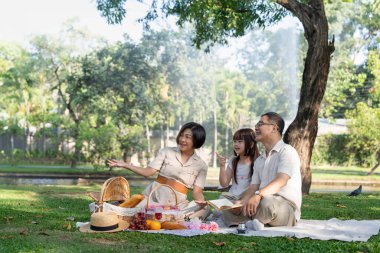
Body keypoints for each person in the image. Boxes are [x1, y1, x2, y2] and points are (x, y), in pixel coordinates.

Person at [107, 122, 210, 219]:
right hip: (154, 198)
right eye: (181, 135)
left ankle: (177, 216)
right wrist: (125, 165)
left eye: (187, 137)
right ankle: (176, 217)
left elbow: (197, 192)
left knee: (206, 208)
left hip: (178, 204)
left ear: (197, 140)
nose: (182, 139)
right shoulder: (166, 152)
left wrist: (201, 202)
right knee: (138, 208)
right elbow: (148, 172)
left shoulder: (201, 166)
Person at [222, 112, 302, 230]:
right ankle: (256, 221)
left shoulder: (287, 152)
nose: (256, 127)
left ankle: (250, 221)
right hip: (260, 201)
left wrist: (258, 195)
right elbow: (253, 187)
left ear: (274, 128)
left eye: (260, 124)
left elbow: (281, 181)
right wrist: (241, 202)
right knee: (227, 202)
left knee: (267, 203)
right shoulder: (260, 160)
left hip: (283, 206)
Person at [216, 128, 260, 199]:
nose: (236, 144)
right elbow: (224, 184)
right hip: (232, 196)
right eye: (235, 141)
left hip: (248, 197)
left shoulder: (258, 161)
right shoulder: (233, 160)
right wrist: (222, 165)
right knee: (221, 198)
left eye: (240, 141)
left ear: (251, 144)